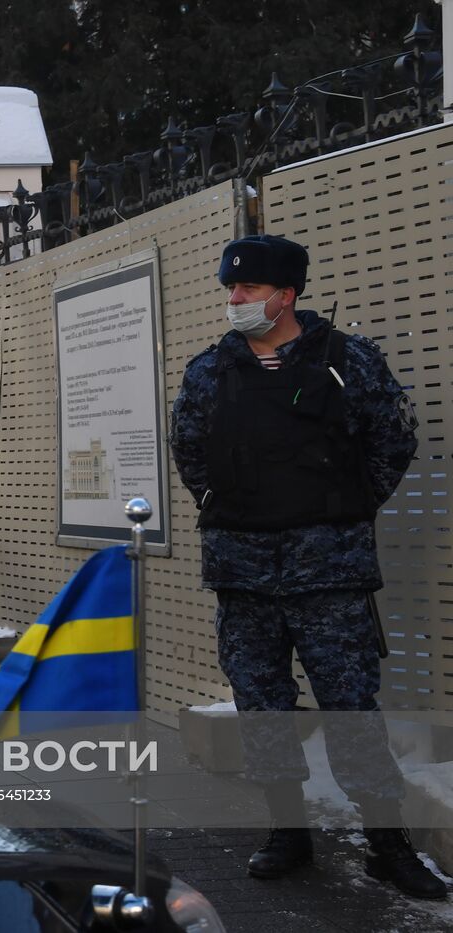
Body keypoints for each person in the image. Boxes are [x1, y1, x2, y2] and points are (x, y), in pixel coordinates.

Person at [169, 234, 442, 899]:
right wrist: (230, 504)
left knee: (351, 707)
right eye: (230, 289)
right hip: (244, 573)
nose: (234, 300)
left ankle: (387, 843)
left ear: (286, 296)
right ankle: (287, 831)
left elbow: (391, 440)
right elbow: (190, 452)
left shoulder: (349, 361)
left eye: (249, 290)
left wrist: (342, 511)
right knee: (262, 707)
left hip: (329, 576)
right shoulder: (211, 371)